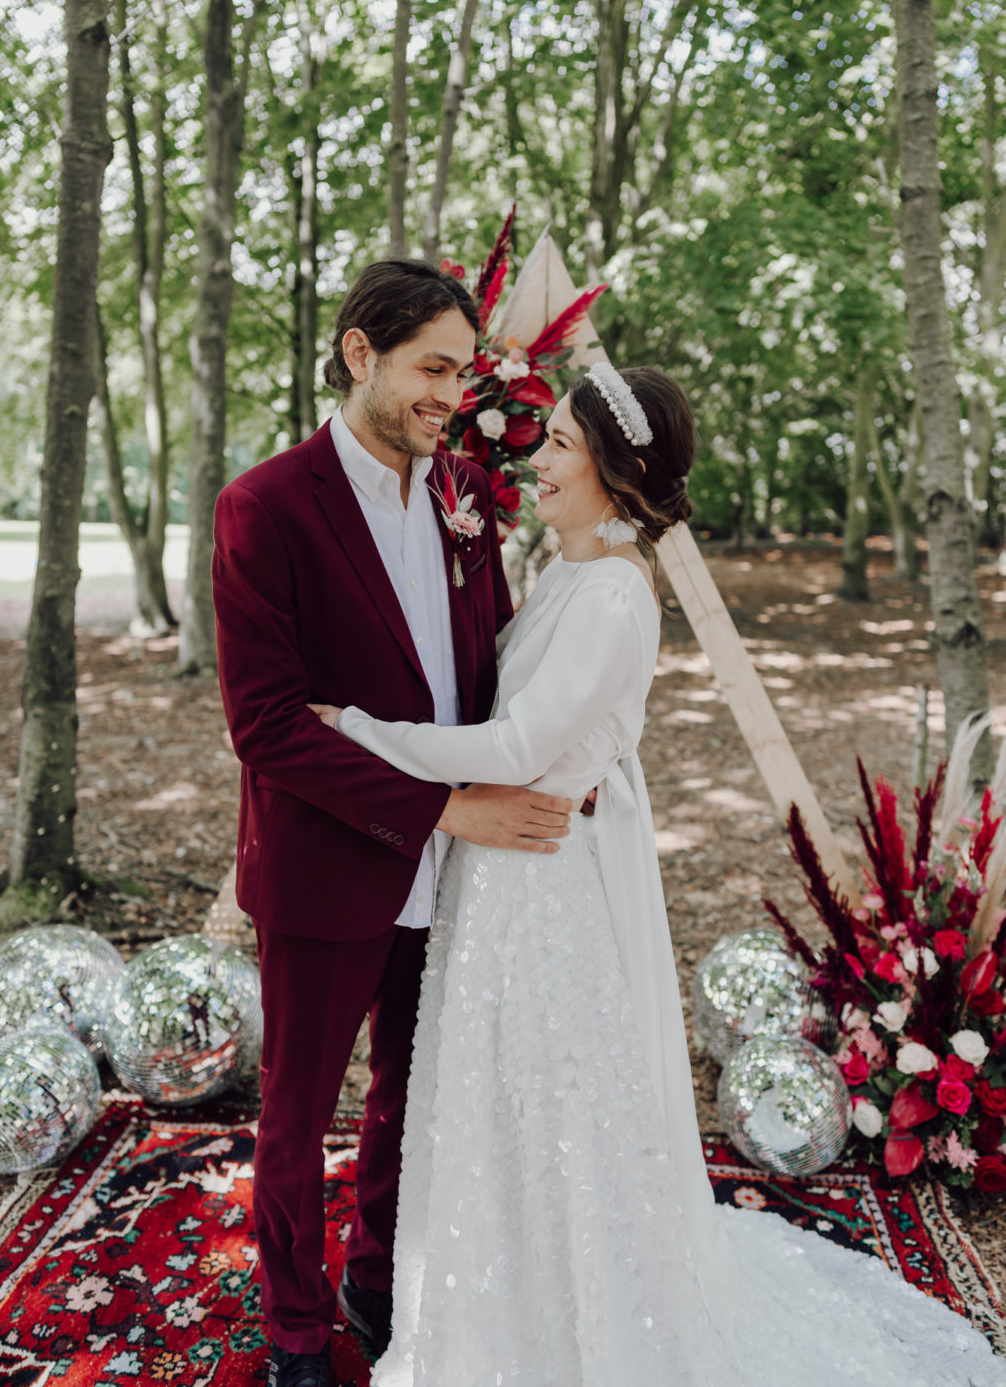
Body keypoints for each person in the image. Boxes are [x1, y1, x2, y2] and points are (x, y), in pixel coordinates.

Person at [312, 364, 1002, 1386]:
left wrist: (359, 735)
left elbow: (514, 745)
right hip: (504, 875)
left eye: (556, 447)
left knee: (554, 1107)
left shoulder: (614, 601)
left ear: (615, 469)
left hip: (546, 886)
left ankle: (573, 1320)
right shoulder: (567, 573)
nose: (535, 461)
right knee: (501, 1103)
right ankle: (502, 1289)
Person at [211, 259, 574, 1387]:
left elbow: (492, 672)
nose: (450, 395)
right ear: (359, 354)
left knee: (410, 1101)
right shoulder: (263, 506)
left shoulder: (464, 493)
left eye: (463, 373)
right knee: (297, 1113)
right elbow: (266, 726)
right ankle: (293, 1329)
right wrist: (445, 805)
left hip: (452, 874)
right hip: (328, 868)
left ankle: (375, 1277)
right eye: (431, 368)